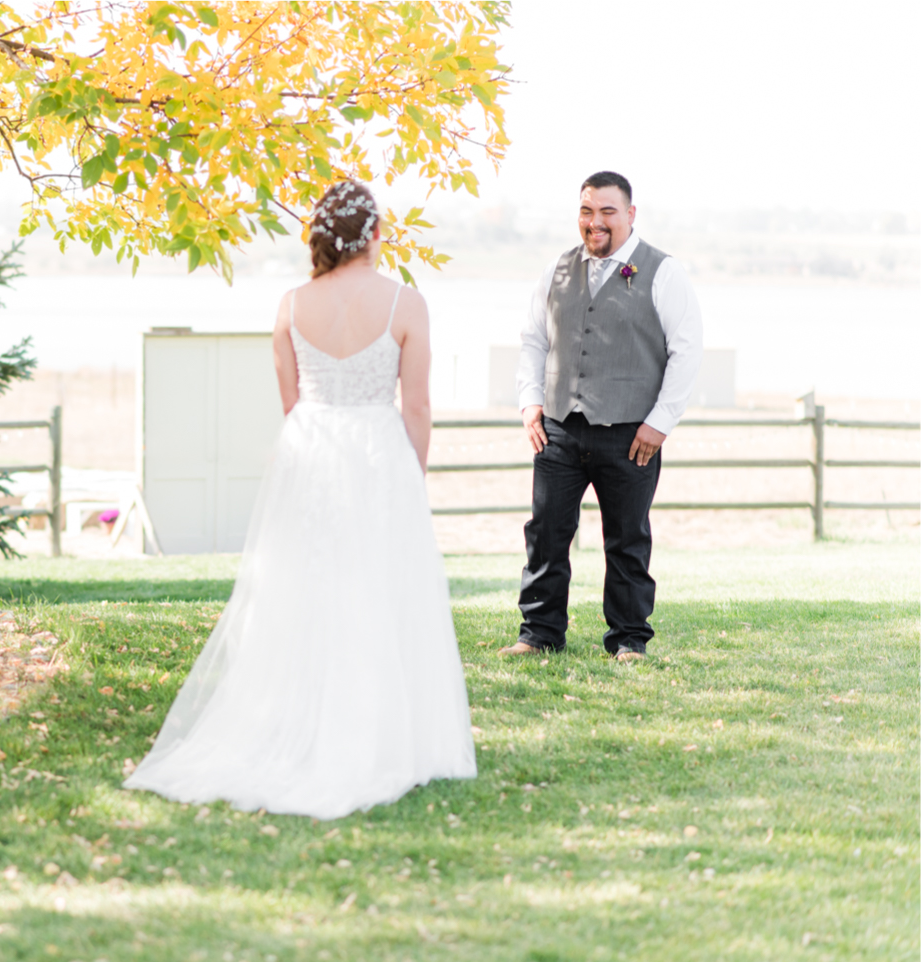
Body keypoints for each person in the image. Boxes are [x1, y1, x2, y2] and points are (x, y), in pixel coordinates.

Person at [124, 181, 476, 821]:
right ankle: (379, 733)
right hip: (377, 451)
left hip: (310, 453)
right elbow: (417, 406)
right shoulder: (407, 303)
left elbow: (292, 404)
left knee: (304, 589)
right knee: (377, 586)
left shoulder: (290, 304)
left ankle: (294, 721)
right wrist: (411, 473)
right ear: (374, 235)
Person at [499, 171, 703, 662]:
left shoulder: (664, 272)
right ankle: (540, 632)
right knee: (547, 533)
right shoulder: (557, 271)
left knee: (627, 539)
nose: (596, 222)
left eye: (607, 211)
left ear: (630, 215)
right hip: (559, 429)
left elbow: (687, 352)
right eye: (587, 211)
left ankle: (629, 638)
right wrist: (530, 403)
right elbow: (533, 340)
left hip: (631, 434)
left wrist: (660, 422)